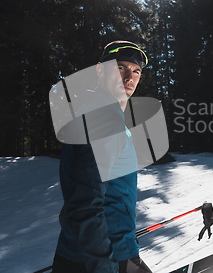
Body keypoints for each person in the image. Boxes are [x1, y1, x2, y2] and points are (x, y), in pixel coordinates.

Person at [52, 41, 152, 273]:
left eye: (136, 71)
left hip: (85, 251)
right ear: (100, 70)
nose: (129, 77)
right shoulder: (103, 119)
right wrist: (103, 266)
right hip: (106, 257)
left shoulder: (98, 112)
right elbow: (86, 201)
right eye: (120, 68)